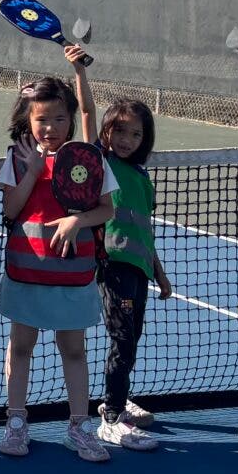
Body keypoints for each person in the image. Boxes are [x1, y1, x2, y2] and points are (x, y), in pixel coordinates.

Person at [0, 55, 117, 463]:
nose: (51, 127)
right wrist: (32, 171)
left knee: (74, 351)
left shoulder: (89, 160)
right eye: (42, 119)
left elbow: (107, 209)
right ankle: (16, 422)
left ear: (70, 121)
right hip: (27, 273)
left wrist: (77, 220)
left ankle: (79, 427)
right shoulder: (17, 158)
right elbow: (11, 210)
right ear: (28, 121)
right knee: (21, 347)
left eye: (59, 119)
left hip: (73, 275)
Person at [81, 74, 172, 452]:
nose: (126, 140)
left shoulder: (141, 177)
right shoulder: (101, 162)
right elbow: (87, 112)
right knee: (122, 340)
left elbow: (144, 231)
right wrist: (80, 72)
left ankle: (115, 399)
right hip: (112, 265)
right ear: (107, 132)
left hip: (139, 270)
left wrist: (160, 274)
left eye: (136, 134)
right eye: (120, 131)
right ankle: (113, 417)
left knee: (130, 340)